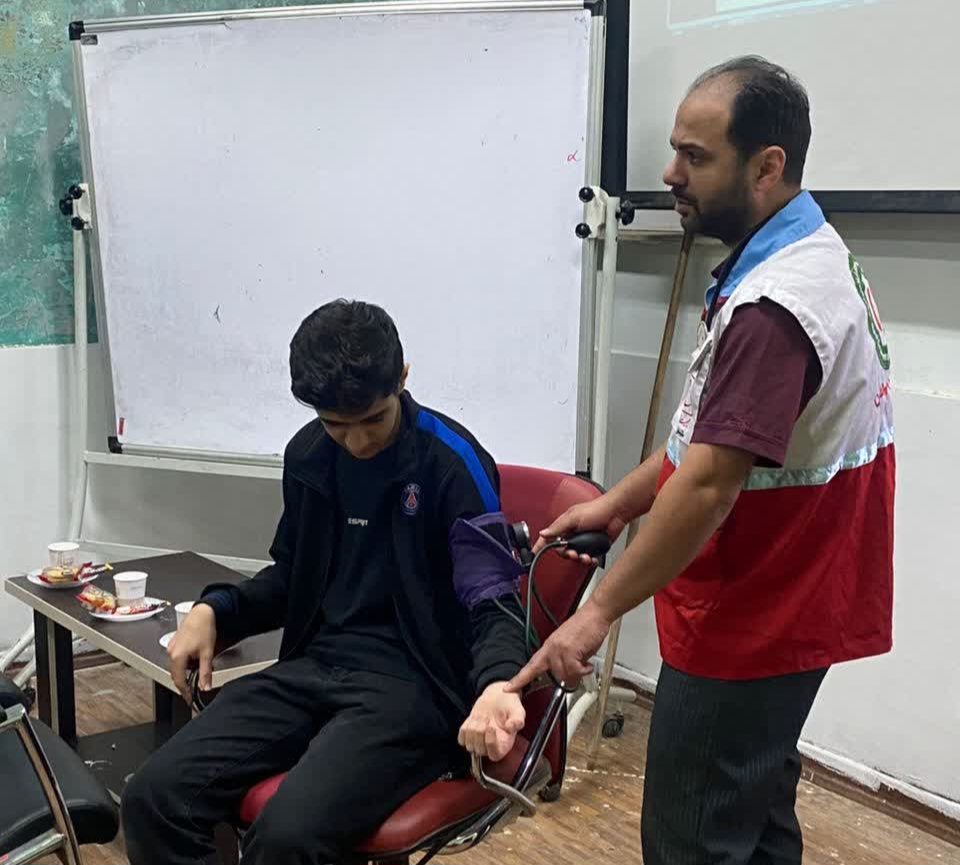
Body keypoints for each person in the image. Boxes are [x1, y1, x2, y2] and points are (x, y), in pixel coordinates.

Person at [508, 56, 895, 865]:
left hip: (756, 612)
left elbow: (712, 482)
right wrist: (618, 502)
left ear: (767, 166)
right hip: (792, 597)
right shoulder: (802, 252)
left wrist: (596, 612)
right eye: (674, 150)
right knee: (753, 809)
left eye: (695, 155)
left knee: (692, 835)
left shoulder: (774, 308)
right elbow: (703, 438)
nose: (669, 173)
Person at [122, 300, 529, 865]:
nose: (357, 442)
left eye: (373, 421)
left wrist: (498, 684)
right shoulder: (309, 455)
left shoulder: (452, 463)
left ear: (403, 378)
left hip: (415, 690)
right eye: (337, 425)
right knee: (154, 798)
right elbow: (293, 578)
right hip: (313, 668)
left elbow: (494, 601)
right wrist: (216, 610)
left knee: (288, 836)